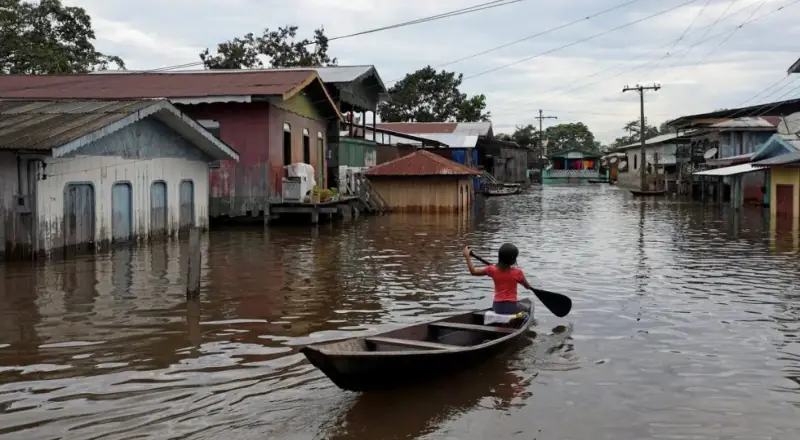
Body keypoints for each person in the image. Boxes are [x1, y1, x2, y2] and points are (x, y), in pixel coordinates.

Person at [463, 243, 534, 315]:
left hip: (497, 307)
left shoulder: (492, 270)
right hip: (511, 307)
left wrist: (467, 256)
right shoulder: (518, 273)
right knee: (527, 308)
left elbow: (474, 272)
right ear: (513, 260)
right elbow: (527, 286)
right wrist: (522, 282)